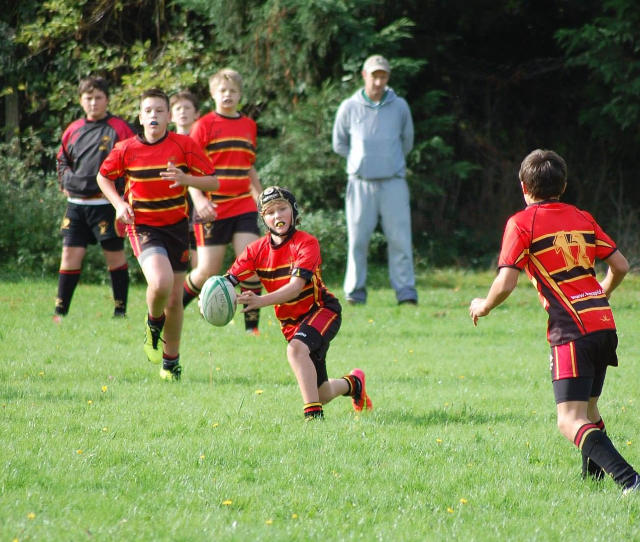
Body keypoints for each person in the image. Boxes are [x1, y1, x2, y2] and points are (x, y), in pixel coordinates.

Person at [469, 149, 639, 494]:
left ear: (523, 186)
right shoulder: (582, 217)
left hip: (571, 330)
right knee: (588, 411)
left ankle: (630, 480)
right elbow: (620, 265)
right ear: (562, 185)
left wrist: (483, 306)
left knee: (569, 420)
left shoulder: (521, 223)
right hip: (603, 323)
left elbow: (506, 281)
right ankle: (591, 484)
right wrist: (601, 292)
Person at [97, 88, 223, 381]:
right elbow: (103, 176)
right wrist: (119, 204)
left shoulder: (184, 145)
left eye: (159, 110)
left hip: (176, 228)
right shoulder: (127, 148)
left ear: (168, 116)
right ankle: (153, 325)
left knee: (175, 301)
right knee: (161, 281)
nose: (153, 115)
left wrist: (186, 179)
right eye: (148, 110)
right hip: (142, 226)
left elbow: (214, 181)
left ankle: (171, 363)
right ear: (140, 117)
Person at [224, 186, 373, 420]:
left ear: (293, 211)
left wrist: (260, 300)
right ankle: (354, 384)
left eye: (282, 209)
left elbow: (294, 288)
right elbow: (227, 282)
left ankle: (313, 417)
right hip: (291, 323)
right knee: (322, 392)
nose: (278, 216)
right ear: (264, 218)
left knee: (295, 350)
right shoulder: (255, 250)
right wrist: (210, 298)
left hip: (322, 311)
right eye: (270, 212)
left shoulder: (306, 243)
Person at [183, 69, 263, 335]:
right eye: (222, 91)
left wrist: (261, 198)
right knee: (206, 271)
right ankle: (174, 307)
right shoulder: (203, 125)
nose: (227, 95)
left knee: (250, 263)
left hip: (242, 204)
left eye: (232, 91)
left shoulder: (249, 125)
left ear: (240, 94)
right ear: (213, 94)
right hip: (212, 207)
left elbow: (248, 166)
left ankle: (252, 329)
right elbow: (190, 168)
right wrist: (198, 200)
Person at [332, 55, 417, 306]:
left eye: (383, 76)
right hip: (360, 183)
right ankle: (355, 293)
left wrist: (388, 161)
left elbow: (407, 142)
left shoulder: (400, 106)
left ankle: (406, 293)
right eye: (374, 75)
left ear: (388, 78)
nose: (378, 81)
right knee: (358, 240)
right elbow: (339, 143)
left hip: (393, 183)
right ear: (364, 76)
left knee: (400, 239)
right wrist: (360, 161)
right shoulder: (349, 106)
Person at [55, 76, 135, 321]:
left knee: (114, 257)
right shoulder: (73, 129)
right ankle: (60, 312)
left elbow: (133, 159)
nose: (93, 102)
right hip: (76, 206)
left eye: (98, 98)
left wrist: (123, 195)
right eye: (88, 98)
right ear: (81, 100)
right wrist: (66, 182)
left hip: (106, 206)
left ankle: (120, 311)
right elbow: (62, 160)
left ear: (107, 100)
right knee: (69, 255)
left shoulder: (119, 128)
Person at [169, 90, 208, 268]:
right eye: (178, 108)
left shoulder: (204, 143)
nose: (183, 112)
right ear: (170, 115)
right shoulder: (164, 142)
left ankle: (201, 296)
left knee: (200, 264)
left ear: (197, 114)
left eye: (187, 108)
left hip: (198, 209)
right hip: (172, 209)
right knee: (174, 263)